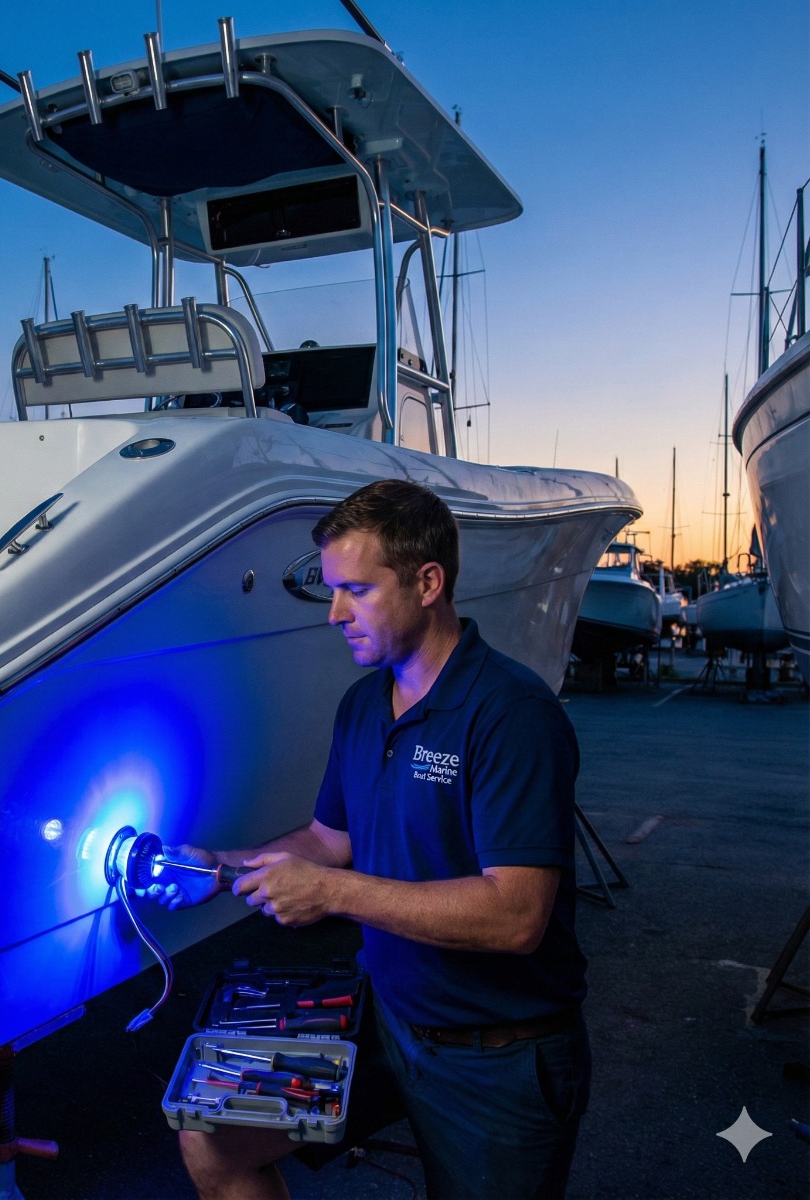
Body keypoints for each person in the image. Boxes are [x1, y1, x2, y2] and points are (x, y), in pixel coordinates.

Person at [154, 478, 590, 1200]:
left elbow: (516, 916)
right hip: (386, 1027)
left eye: (355, 589)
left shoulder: (511, 715)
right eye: (332, 591)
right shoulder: (364, 705)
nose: (334, 614)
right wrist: (218, 865)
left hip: (497, 1056)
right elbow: (329, 841)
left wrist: (330, 894)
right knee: (213, 1142)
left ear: (427, 582)